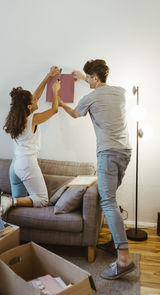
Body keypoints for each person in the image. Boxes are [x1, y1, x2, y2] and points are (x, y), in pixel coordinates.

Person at [58, 59, 135, 280]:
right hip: (125, 152)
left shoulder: (89, 98)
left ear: (95, 78)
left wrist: (61, 104)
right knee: (110, 196)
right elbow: (99, 86)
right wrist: (82, 77)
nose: (87, 81)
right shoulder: (120, 92)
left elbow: (75, 114)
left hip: (108, 153)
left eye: (88, 78)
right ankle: (115, 241)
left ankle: (123, 260)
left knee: (107, 200)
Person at [0, 66, 60, 218]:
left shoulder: (17, 117)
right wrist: (55, 91)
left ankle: (6, 220)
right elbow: (55, 109)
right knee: (42, 200)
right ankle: (6, 200)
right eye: (34, 100)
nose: (36, 99)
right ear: (30, 106)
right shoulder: (33, 119)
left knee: (14, 211)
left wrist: (48, 76)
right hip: (26, 164)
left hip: (16, 165)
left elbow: (35, 95)